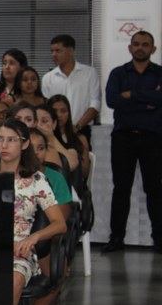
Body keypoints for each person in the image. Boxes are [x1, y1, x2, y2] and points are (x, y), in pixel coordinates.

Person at [0, 119, 66, 305]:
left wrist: (34, 237)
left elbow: (60, 224)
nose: (4, 145)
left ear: (24, 144)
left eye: (11, 140)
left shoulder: (36, 180)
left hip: (19, 250)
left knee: (14, 278)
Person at [103, 30, 162, 253]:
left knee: (155, 189)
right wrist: (148, 99)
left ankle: (159, 238)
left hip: (153, 138)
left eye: (145, 44)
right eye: (136, 44)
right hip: (123, 137)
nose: (140, 48)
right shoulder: (118, 73)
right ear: (130, 47)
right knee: (121, 189)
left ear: (153, 49)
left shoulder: (160, 73)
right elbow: (111, 100)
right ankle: (116, 238)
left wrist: (130, 95)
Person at [27, 127, 71, 305]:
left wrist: (35, 236)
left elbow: (61, 219)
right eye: (31, 147)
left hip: (41, 240)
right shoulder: (9, 173)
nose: (36, 153)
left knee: (56, 269)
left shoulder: (54, 177)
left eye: (41, 148)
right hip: (10, 239)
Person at [41, 34, 101, 141]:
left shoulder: (89, 73)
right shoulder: (48, 78)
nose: (54, 55)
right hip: (55, 131)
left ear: (71, 51)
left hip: (81, 129)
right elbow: (46, 107)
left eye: (58, 51)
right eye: (52, 51)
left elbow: (95, 104)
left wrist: (77, 127)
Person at [48, 94, 91, 178]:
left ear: (69, 113)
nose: (59, 115)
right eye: (54, 111)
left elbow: (85, 172)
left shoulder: (80, 138)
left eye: (63, 111)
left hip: (75, 181)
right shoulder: (44, 138)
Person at [34, 104, 79, 172]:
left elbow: (71, 165)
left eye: (44, 121)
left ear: (54, 124)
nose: (38, 125)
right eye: (35, 121)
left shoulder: (69, 146)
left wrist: (51, 138)